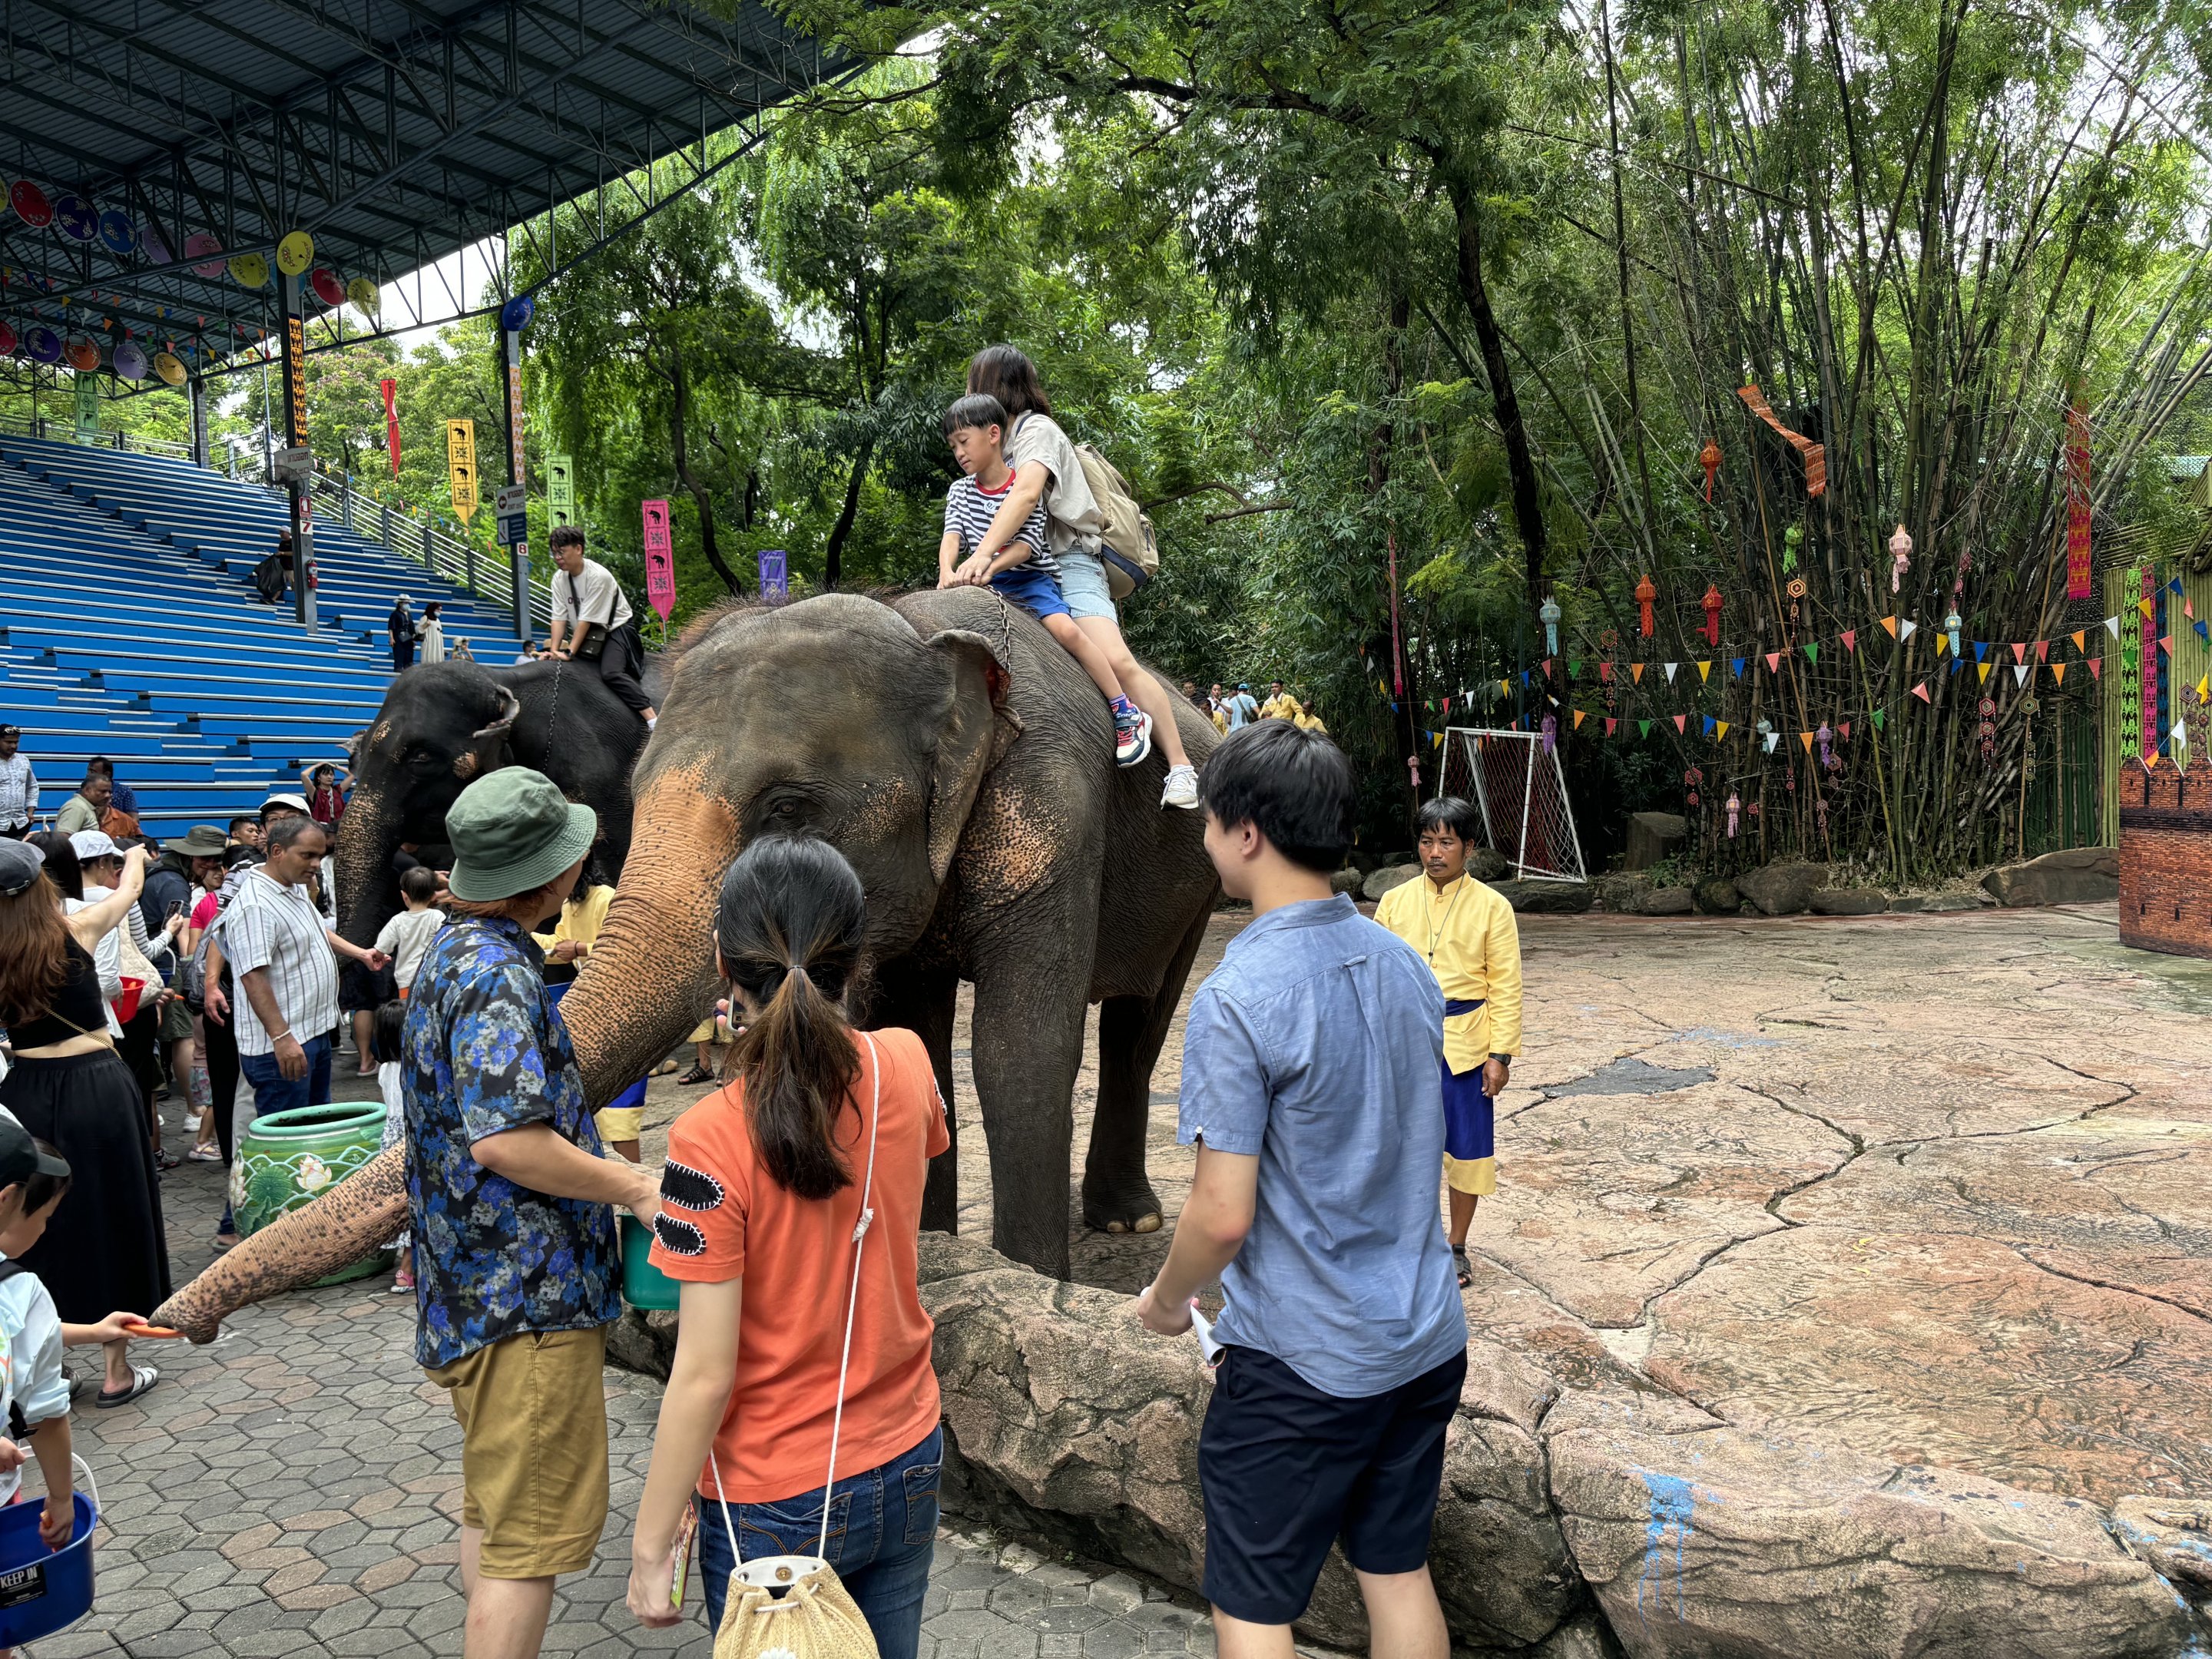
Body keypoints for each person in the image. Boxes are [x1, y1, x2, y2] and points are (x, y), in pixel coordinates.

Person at [1134, 720, 1468, 1657]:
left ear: (1246, 834)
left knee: (1253, 1600)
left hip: (1303, 1369)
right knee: (1396, 1571)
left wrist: (1169, 1301)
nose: (1205, 841)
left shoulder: (1241, 998)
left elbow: (1221, 1213)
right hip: (1424, 1339)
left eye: (1207, 823)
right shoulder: (1405, 963)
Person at [626, 836, 950, 1655]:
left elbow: (703, 1372)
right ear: (858, 954)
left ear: (722, 963)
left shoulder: (704, 1138)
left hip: (775, 1497)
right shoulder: (910, 1062)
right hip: (908, 1451)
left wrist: (650, 1539)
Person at [402, 767, 660, 1659]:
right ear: (557, 876)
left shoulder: (452, 950)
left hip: (470, 1296)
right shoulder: (494, 978)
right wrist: (634, 1186)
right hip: (529, 1309)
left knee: (496, 1515)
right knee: (529, 1549)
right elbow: (507, 1141)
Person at [965, 345, 1201, 808]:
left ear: (997, 385)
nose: (969, 392)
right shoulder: (994, 444)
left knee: (1115, 658)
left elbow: (1027, 493)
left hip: (1069, 561)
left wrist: (980, 556)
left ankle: (1181, 766)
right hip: (1020, 567)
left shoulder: (1037, 431)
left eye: (975, 382)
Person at [0, 838, 171, 1408]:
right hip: (96, 1083)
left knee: (38, 1221)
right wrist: (138, 857)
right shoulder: (77, 931)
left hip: (23, 1089)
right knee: (110, 1212)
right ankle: (117, 1368)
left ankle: (42, 1367)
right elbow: (129, 889)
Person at [935, 393, 1151, 767]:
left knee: (1067, 632)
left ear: (992, 434)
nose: (959, 452)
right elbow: (951, 536)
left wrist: (986, 566)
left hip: (1029, 580)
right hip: (984, 583)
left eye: (963, 441)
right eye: (953, 446)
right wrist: (947, 572)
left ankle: (1124, 710)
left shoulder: (1024, 486)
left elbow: (1025, 547)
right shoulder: (960, 491)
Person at [204, 816, 388, 1247]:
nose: (316, 865)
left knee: (310, 1136)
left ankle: (293, 1224)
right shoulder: (255, 904)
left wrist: (360, 953)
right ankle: (248, 1231)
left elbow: (316, 931)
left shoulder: (291, 888)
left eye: (320, 856)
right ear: (276, 852)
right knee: (278, 1142)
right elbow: (252, 977)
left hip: (312, 1032)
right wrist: (281, 1036)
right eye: (308, 856)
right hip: (283, 1044)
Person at [1373, 797, 1521, 1287]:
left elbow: (1505, 985)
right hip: (1404, 1042)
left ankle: (1455, 1245)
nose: (1435, 852)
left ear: (1469, 848)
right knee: (1401, 1147)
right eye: (1427, 840)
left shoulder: (1493, 907)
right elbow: (1376, 975)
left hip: (1466, 1046)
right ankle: (1407, 1239)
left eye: (1446, 842)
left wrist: (1499, 1055)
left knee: (1467, 1149)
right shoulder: (1394, 902)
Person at [531, 879, 644, 1162]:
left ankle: (635, 1186)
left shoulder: (605, 897)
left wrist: (580, 948)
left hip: (623, 1005)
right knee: (605, 1113)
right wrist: (522, 933)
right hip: (592, 1009)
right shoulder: (570, 904)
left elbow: (629, 946)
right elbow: (559, 946)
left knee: (622, 1109)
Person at [546, 526, 657, 724]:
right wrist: (554, 652)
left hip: (617, 630)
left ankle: (652, 719)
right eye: (554, 553)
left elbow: (586, 620)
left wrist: (570, 652)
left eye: (561, 552)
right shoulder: (559, 579)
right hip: (590, 634)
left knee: (611, 673)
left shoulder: (599, 576)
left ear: (578, 549)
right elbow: (558, 618)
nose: (557, 557)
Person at [0, 727, 37, 839]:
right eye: (9, 742)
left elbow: (32, 786)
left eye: (16, 742)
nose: (13, 746)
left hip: (20, 824)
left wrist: (30, 811)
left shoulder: (23, 760)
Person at [51, 773, 109, 838]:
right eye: (103, 791)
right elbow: (63, 839)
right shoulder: (77, 807)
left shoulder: (87, 807)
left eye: (109, 792)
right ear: (87, 790)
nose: (108, 795)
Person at [304, 764, 349, 829]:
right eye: (326, 774)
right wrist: (317, 765)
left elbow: (352, 774)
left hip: (337, 828)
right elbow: (304, 775)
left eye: (331, 775)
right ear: (318, 777)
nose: (329, 777)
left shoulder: (337, 790)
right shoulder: (314, 791)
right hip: (319, 829)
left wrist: (335, 766)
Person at [389, 594, 418, 673]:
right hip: (398, 634)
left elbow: (412, 627)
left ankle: (408, 666)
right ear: (400, 604)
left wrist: (413, 638)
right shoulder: (395, 614)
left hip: (407, 635)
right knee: (399, 651)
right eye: (405, 603)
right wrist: (391, 638)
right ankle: (398, 667)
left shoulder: (409, 614)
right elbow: (391, 627)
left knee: (409, 651)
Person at [422, 601, 447, 665]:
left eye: (441, 610)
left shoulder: (437, 620)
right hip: (429, 642)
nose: (439, 611)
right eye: (438, 609)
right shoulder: (425, 618)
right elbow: (419, 629)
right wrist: (425, 625)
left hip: (438, 642)